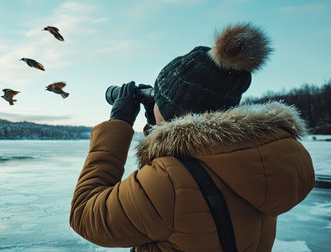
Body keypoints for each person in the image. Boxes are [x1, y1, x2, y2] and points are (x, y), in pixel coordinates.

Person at [70, 23, 315, 251]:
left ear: (174, 110)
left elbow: (85, 215)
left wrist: (118, 123)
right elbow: (189, 164)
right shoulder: (260, 159)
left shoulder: (170, 182)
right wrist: (156, 129)